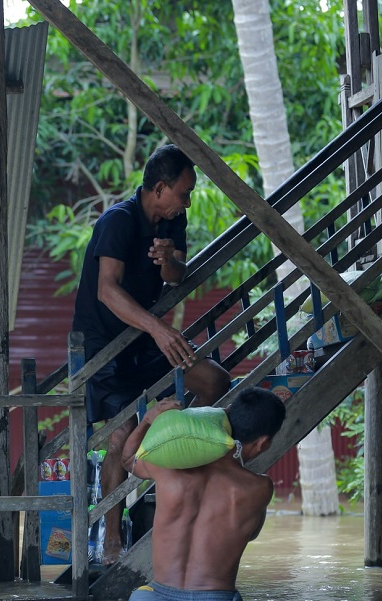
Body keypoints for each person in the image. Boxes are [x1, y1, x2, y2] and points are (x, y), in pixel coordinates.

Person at [71, 143, 231, 563]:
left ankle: (170, 462)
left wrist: (166, 264)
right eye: (183, 192)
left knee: (213, 381)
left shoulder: (173, 219)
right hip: (106, 345)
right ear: (160, 188)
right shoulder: (117, 222)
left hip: (144, 339)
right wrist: (160, 329)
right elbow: (107, 290)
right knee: (119, 435)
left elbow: (178, 274)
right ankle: (111, 539)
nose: (188, 200)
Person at [123, 388, 286, 601]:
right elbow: (252, 533)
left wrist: (148, 420)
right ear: (263, 443)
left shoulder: (166, 467)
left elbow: (128, 460)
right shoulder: (260, 488)